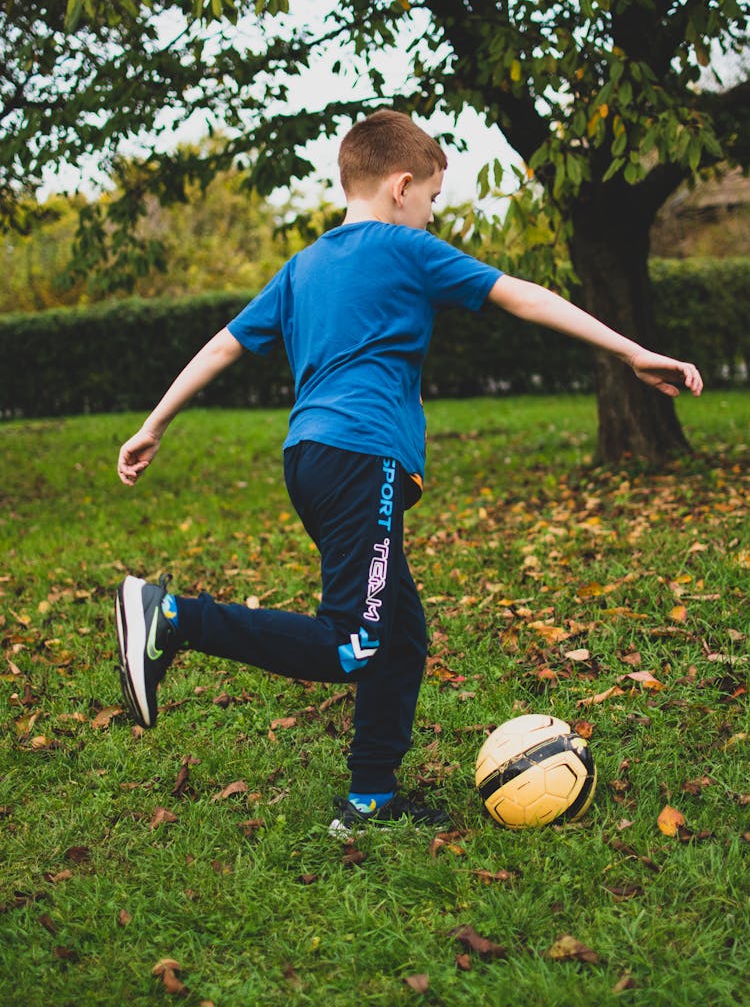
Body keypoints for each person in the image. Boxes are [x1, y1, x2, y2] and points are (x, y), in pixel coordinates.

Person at [114, 109, 703, 832]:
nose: (429, 217)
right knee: (350, 643)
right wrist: (630, 349)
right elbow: (521, 294)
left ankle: (370, 799)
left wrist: (153, 423)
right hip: (365, 461)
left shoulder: (303, 267)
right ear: (400, 187)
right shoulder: (404, 249)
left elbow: (223, 345)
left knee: (402, 633)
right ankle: (174, 616)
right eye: (430, 200)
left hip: (312, 459)